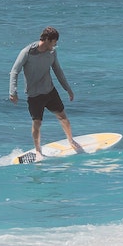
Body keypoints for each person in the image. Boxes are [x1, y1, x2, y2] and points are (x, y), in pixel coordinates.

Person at [9, 26, 80, 160]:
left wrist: (68, 89)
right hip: (34, 95)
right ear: (47, 39)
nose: (55, 44)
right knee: (37, 123)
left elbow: (58, 70)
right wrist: (13, 91)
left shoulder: (52, 52)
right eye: (54, 41)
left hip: (49, 90)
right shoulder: (27, 52)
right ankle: (38, 151)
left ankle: (71, 140)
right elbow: (14, 71)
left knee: (63, 117)